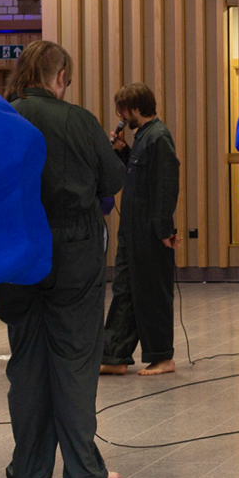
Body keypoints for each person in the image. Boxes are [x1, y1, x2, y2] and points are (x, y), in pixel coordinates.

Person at [0, 40, 124, 478]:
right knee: (75, 358)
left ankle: (28, 466)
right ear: (61, 77)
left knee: (26, 359)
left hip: (14, 249)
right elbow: (112, 179)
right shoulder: (78, 119)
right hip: (72, 248)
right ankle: (84, 468)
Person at [100, 83, 181, 376]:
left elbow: (165, 185)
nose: (120, 116)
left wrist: (163, 230)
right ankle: (115, 355)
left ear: (135, 109)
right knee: (125, 291)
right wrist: (123, 152)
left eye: (122, 110)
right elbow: (139, 176)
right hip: (132, 231)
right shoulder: (144, 138)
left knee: (151, 294)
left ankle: (163, 356)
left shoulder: (159, 137)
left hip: (149, 232)